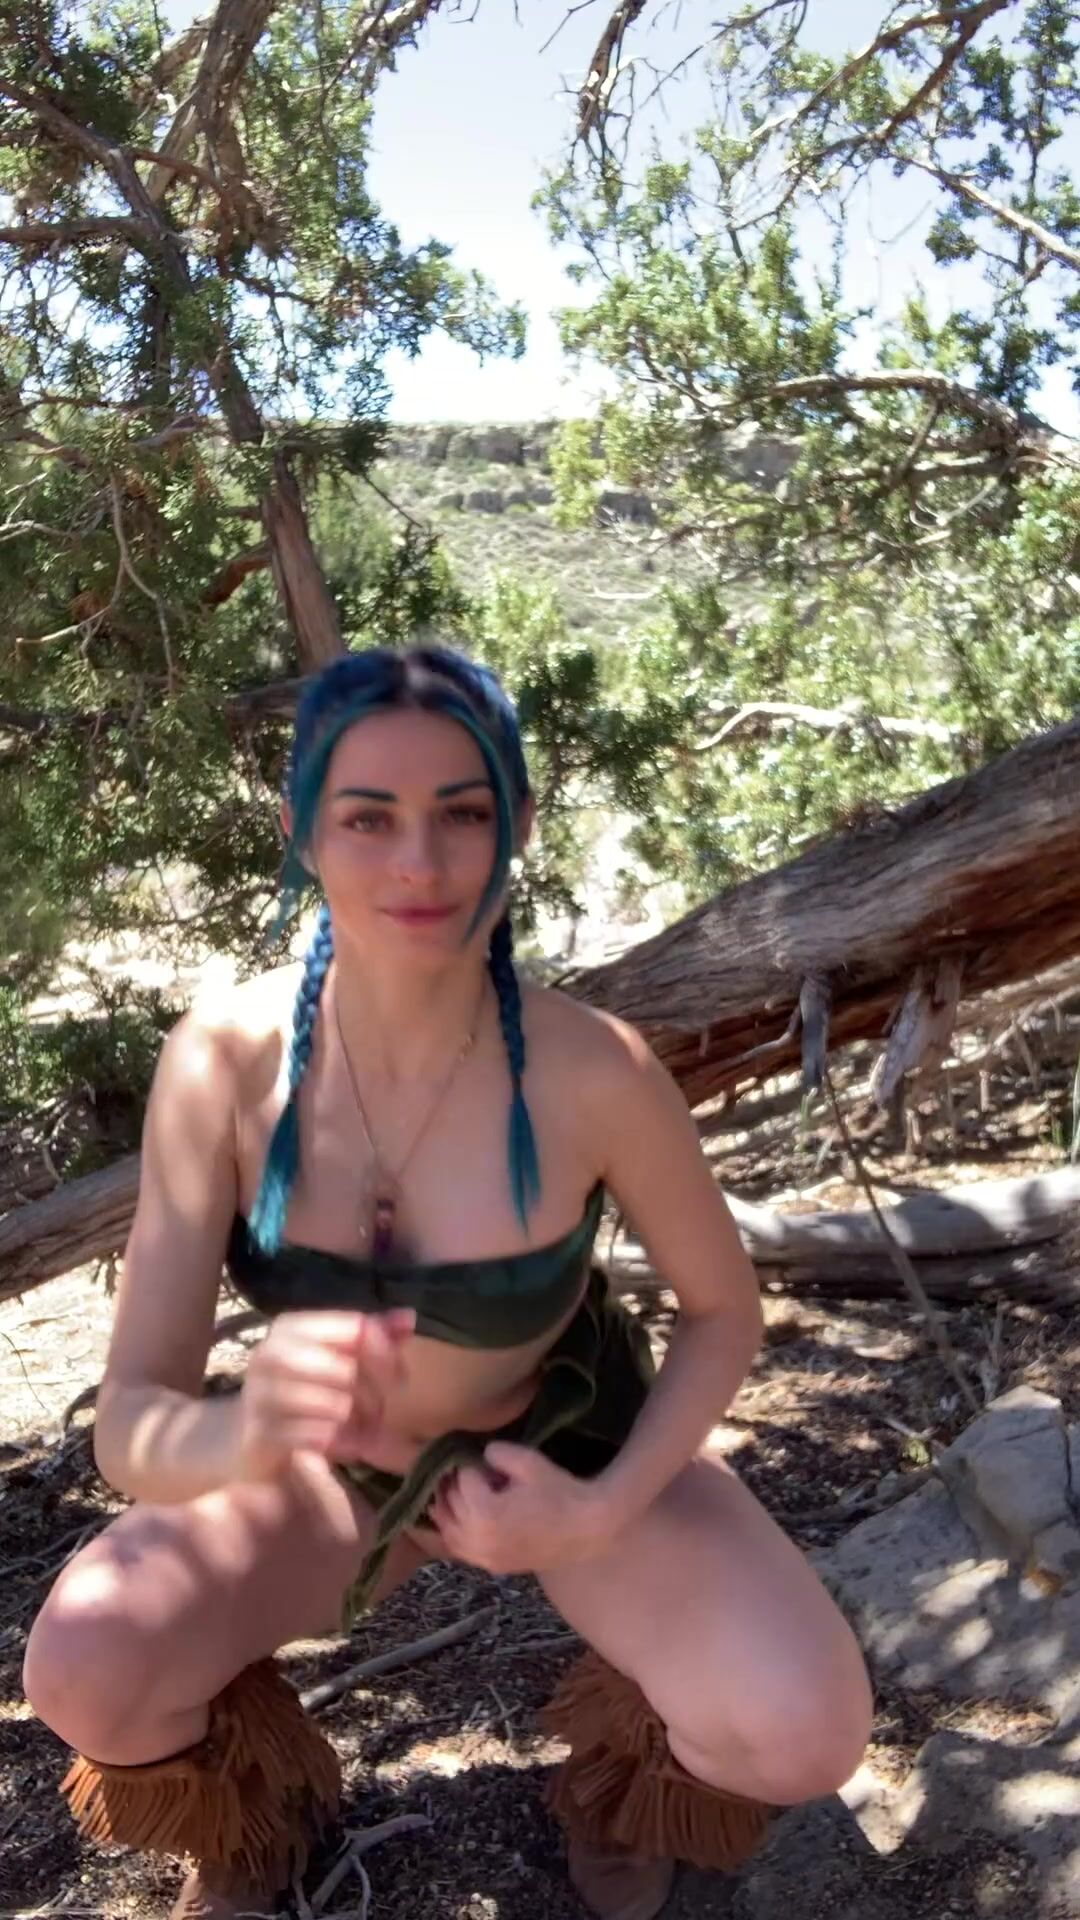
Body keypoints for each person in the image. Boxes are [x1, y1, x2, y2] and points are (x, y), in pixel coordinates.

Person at [22, 645, 872, 1920]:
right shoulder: (223, 1065)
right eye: (369, 817)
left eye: (462, 813)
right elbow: (132, 1422)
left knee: (805, 1726)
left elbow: (721, 1314)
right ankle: (258, 1809)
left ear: (515, 821)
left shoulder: (596, 1070)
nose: (418, 862)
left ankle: (619, 1781)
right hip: (321, 1472)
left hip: (564, 1448)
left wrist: (601, 1507)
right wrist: (243, 1432)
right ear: (304, 827)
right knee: (88, 1665)